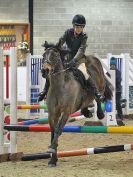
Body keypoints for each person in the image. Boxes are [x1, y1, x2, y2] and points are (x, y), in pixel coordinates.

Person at [38, 14, 103, 103]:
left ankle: (96, 93)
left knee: (84, 73)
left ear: (83, 27)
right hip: (67, 58)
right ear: (73, 26)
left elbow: (81, 50)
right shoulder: (68, 32)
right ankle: (45, 91)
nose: (78, 29)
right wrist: (55, 49)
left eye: (80, 27)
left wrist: (74, 60)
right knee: (53, 70)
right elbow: (60, 42)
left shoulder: (84, 36)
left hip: (79, 59)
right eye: (76, 26)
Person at [109, 57, 124, 122]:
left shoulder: (118, 72)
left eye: (113, 65)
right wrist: (109, 85)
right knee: (108, 103)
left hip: (117, 91)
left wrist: (112, 83)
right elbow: (106, 80)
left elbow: (118, 80)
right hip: (111, 91)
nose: (112, 66)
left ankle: (120, 116)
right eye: (111, 65)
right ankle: (109, 116)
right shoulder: (108, 72)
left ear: (115, 65)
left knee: (117, 103)